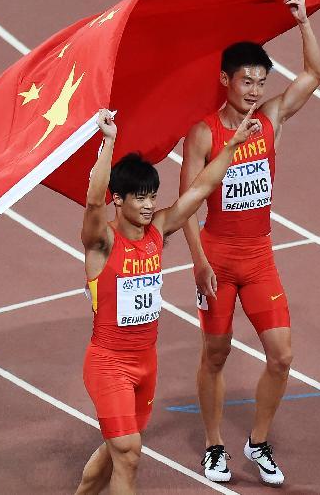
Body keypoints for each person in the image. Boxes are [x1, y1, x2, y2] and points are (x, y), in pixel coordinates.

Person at [179, 0, 320, 485]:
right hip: (217, 258)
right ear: (225, 80)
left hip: (260, 258)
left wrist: (304, 21)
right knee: (215, 355)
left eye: (263, 82)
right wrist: (198, 263)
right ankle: (214, 445)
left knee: (282, 355)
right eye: (247, 81)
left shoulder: (270, 120)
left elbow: (314, 75)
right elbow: (186, 207)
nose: (255, 90)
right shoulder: (202, 134)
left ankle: (258, 441)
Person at [75, 108, 261, 494]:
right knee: (129, 452)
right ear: (119, 199)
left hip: (146, 362)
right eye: (139, 198)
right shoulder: (102, 242)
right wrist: (107, 143)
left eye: (151, 197)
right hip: (109, 364)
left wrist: (233, 145)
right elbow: (93, 204)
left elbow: (201, 188)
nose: (147, 205)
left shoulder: (158, 229)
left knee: (116, 452)